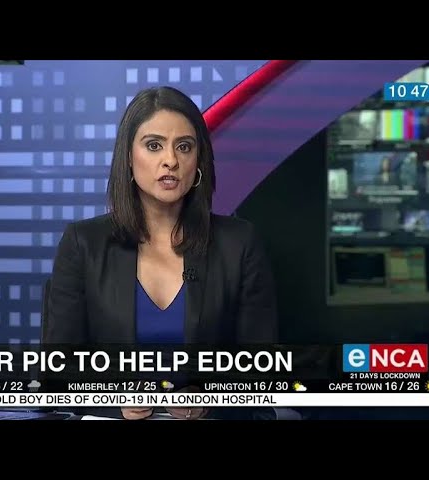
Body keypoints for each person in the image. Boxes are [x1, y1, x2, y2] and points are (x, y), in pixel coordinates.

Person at [43, 86, 278, 420]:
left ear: (199, 160)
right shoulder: (83, 243)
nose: (171, 160)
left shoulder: (239, 243)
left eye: (184, 146)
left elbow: (261, 368)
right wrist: (113, 400)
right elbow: (58, 372)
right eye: (154, 145)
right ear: (128, 156)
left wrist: (210, 398)